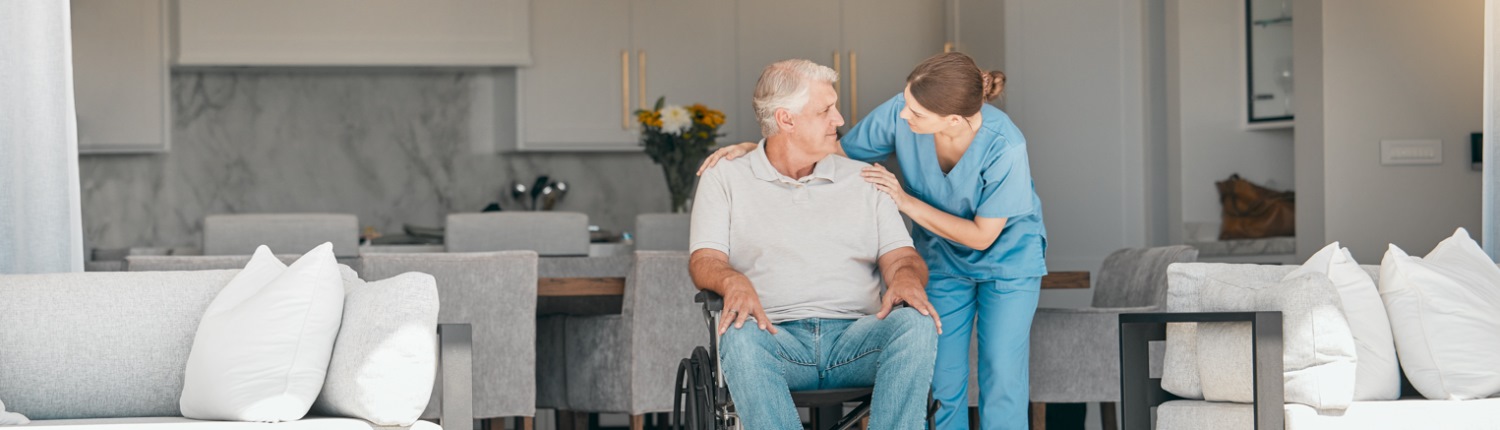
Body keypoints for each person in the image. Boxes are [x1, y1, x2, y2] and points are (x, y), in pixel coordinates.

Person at [697, 52, 1046, 430]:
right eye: (905, 102)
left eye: (916, 113)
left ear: (953, 121)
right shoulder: (903, 110)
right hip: (943, 256)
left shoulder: (1004, 144)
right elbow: (832, 147)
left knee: (1002, 374)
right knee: (944, 380)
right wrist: (760, 148)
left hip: (1006, 259)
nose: (903, 116)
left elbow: (983, 236)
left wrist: (904, 201)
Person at [689, 58, 941, 430]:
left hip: (857, 341)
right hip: (775, 339)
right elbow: (704, 261)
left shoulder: (865, 179)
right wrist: (731, 281)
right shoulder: (724, 177)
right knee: (738, 337)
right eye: (825, 110)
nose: (839, 120)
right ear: (786, 119)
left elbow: (901, 255)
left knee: (915, 324)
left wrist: (905, 276)